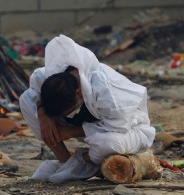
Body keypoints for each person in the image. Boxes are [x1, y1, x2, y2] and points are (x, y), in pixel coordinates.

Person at [19, 34, 155, 183]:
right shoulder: (51, 76)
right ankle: (65, 161)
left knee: (110, 144)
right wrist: (43, 114)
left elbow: (114, 128)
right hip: (89, 127)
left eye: (68, 112)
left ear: (78, 93)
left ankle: (83, 161)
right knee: (26, 100)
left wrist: (70, 132)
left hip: (129, 129)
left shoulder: (109, 95)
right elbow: (35, 89)